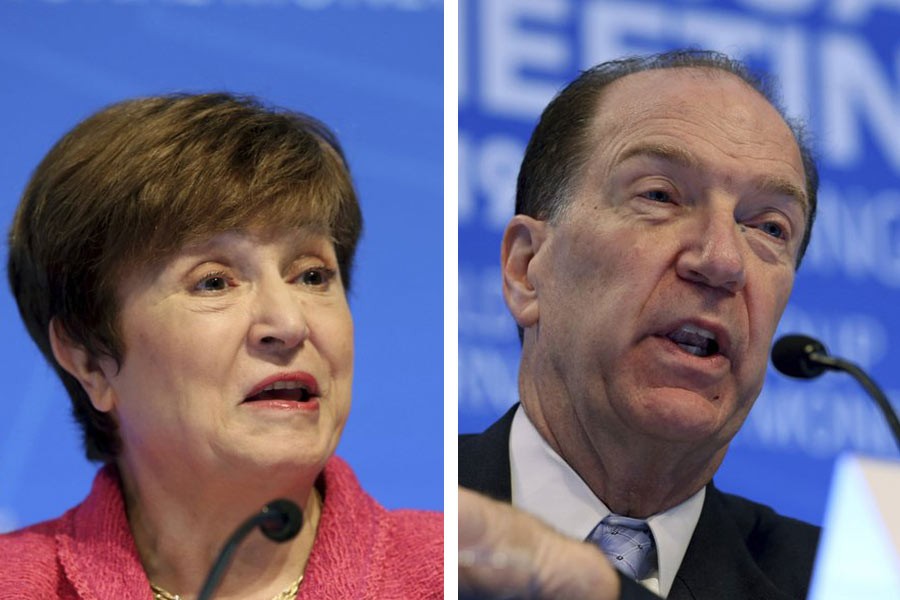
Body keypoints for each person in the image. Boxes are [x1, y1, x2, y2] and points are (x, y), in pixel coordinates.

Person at [0, 93, 442, 599]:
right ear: (89, 359)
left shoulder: (456, 573)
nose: (288, 323)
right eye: (213, 283)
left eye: (312, 275)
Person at [459, 50, 820, 600]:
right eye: (659, 196)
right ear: (526, 270)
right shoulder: (425, 520)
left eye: (769, 227)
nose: (723, 261)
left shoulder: (846, 583)